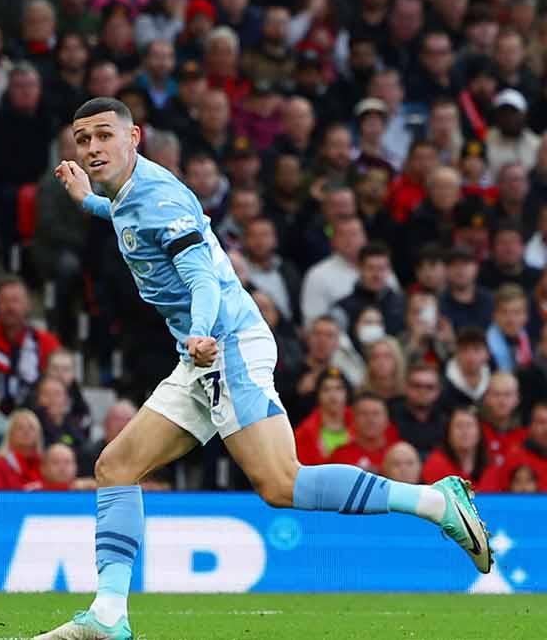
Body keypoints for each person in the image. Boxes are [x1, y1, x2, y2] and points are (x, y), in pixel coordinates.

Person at [35, 97, 491, 640]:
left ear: (134, 138)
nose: (91, 148)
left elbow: (199, 275)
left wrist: (202, 333)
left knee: (280, 483)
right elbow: (133, 223)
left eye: (103, 136)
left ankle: (436, 501)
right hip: (200, 352)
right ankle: (109, 614)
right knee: (115, 468)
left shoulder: (157, 197)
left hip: (224, 344)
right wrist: (88, 202)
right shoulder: (130, 193)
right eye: (82, 139)